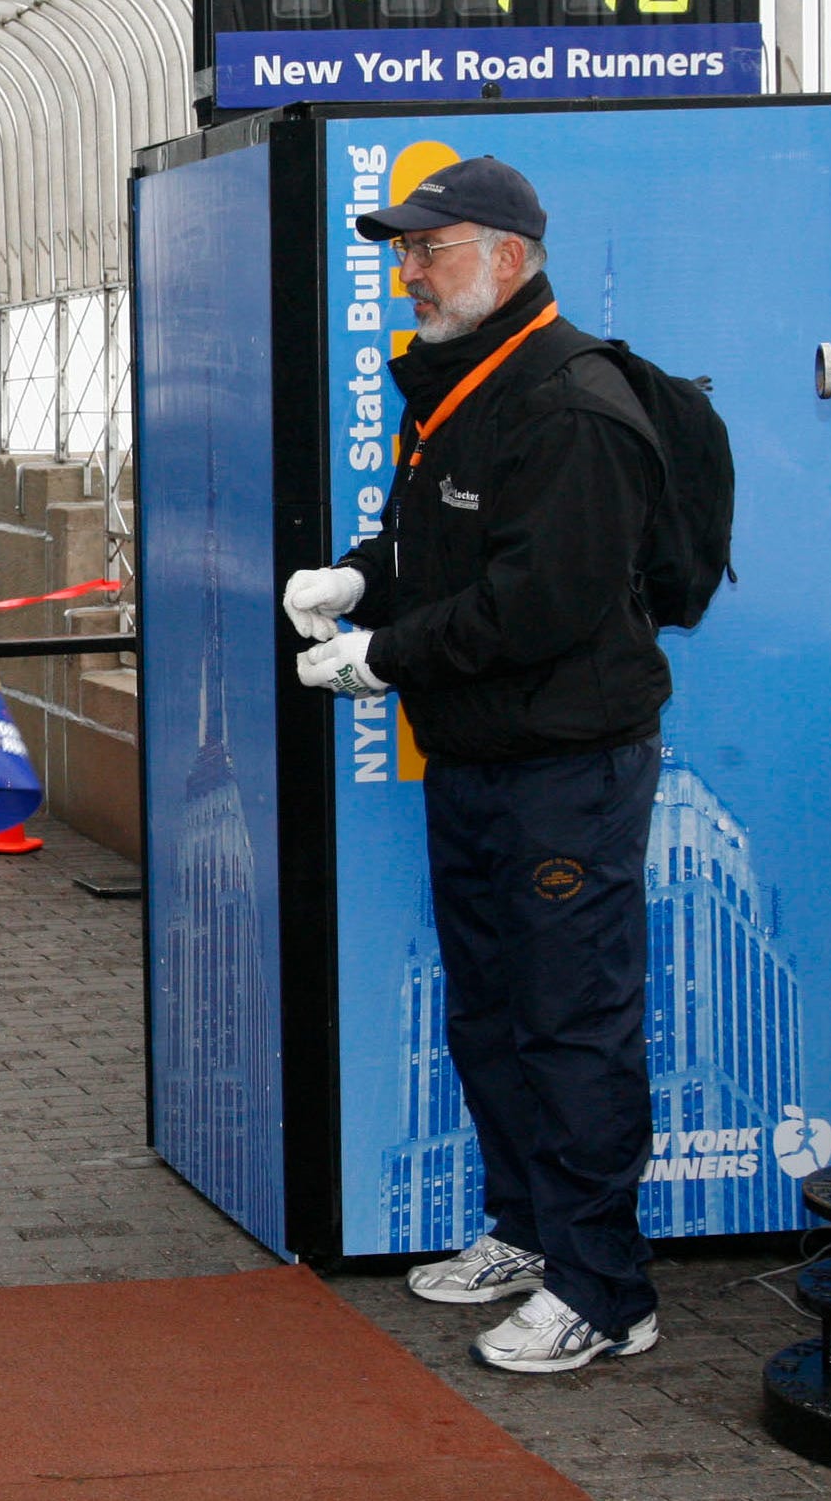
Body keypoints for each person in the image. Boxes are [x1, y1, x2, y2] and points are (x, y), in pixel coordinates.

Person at [283, 155, 669, 1374]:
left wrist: (378, 653)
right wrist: (365, 572)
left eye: (428, 249)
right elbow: (441, 540)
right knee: (492, 1012)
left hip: (566, 767)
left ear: (508, 257)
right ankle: (527, 1229)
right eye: (399, 251)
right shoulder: (462, 383)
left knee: (572, 1021)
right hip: (480, 758)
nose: (407, 273)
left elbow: (536, 603)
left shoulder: (569, 403)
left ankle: (606, 1288)